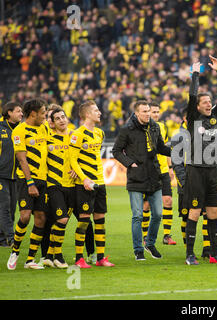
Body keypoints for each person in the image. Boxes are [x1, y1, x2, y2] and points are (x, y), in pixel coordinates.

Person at [183, 55, 217, 265]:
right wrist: (195, 73)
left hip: (212, 171)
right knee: (194, 212)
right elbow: (192, 95)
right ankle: (189, 255)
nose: (209, 104)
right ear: (198, 106)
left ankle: (214, 253)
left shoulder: (215, 117)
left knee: (213, 212)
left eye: (210, 102)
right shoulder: (193, 117)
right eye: (205, 102)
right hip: (195, 170)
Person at [112, 100, 171, 261]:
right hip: (136, 178)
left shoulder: (155, 127)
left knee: (158, 214)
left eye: (149, 111)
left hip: (154, 176)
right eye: (144, 111)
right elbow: (116, 151)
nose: (147, 114)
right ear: (136, 113)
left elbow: (160, 148)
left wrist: (176, 151)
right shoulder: (126, 130)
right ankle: (138, 249)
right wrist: (130, 163)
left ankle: (149, 243)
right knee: (137, 215)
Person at [69, 100, 114, 268]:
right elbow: (73, 159)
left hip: (100, 183)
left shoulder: (100, 133)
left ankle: (101, 258)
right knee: (83, 221)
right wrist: (84, 179)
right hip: (84, 184)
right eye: (96, 110)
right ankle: (79, 258)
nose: (100, 113)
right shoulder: (77, 134)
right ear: (87, 114)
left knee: (100, 220)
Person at [7, 98, 49, 270]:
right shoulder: (19, 131)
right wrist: (30, 182)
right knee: (24, 216)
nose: (45, 116)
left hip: (43, 179)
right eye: (43, 113)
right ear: (33, 113)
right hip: (26, 180)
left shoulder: (44, 128)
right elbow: (22, 159)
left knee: (40, 218)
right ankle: (15, 251)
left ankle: (30, 260)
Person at [171, 109, 211, 258]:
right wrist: (183, 181)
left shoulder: (204, 133)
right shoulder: (179, 137)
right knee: (186, 216)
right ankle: (189, 249)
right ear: (185, 118)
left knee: (207, 214)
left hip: (204, 180)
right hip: (187, 183)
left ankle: (207, 249)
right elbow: (177, 162)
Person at [41, 107, 76, 268]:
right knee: (61, 219)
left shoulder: (74, 137)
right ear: (52, 123)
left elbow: (82, 157)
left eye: (63, 117)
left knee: (61, 222)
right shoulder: (48, 139)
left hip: (72, 186)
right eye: (58, 118)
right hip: (54, 184)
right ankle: (58, 256)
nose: (62, 120)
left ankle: (49, 255)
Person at [148, 102, 176, 245]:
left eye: (157, 112)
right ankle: (145, 238)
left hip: (163, 170)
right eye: (153, 112)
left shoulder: (163, 127)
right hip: (149, 171)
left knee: (168, 201)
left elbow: (165, 147)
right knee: (146, 206)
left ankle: (166, 235)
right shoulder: (143, 128)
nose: (156, 114)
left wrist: (170, 167)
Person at [0, 102, 23, 248]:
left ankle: (2, 240)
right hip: (1, 175)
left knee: (12, 209)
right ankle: (11, 238)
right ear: (9, 113)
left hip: (14, 176)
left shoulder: (19, 130)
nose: (21, 113)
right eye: (18, 111)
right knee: (4, 207)